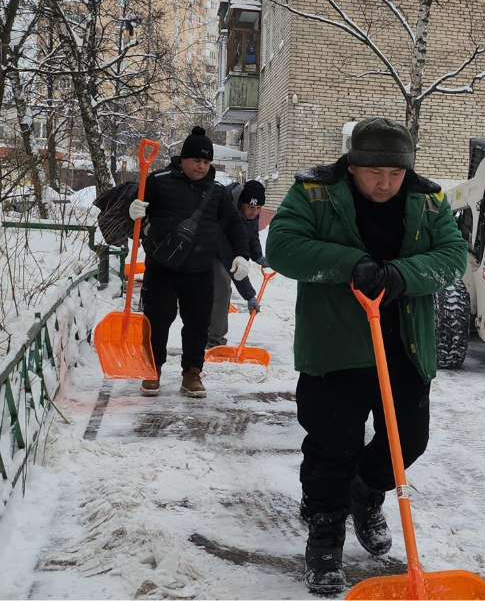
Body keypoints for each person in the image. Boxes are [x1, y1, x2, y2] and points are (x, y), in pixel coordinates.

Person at [266, 117, 467, 595]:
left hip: (405, 346)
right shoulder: (315, 192)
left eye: (395, 174)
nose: (385, 183)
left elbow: (453, 255)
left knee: (408, 442)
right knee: (331, 447)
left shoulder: (429, 199)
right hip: (336, 346)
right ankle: (325, 534)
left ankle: (366, 491)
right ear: (352, 166)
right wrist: (347, 265)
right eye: (374, 172)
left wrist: (401, 275)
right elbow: (283, 248)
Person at [130, 126, 250, 399]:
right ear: (183, 159)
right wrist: (131, 211)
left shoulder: (217, 192)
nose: (201, 166)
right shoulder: (158, 181)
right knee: (157, 321)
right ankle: (152, 370)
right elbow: (135, 210)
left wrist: (242, 253)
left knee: (198, 323)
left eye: (207, 162)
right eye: (196, 160)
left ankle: (192, 373)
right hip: (162, 267)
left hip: (199, 269)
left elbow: (233, 223)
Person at [207, 180, 269, 350]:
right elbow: (230, 260)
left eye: (258, 209)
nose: (254, 212)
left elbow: (252, 234)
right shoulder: (228, 213)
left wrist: (257, 256)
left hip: (226, 255)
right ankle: (214, 340)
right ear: (241, 203)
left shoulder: (251, 214)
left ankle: (210, 332)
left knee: (218, 292)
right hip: (210, 252)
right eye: (250, 207)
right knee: (221, 290)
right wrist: (249, 296)